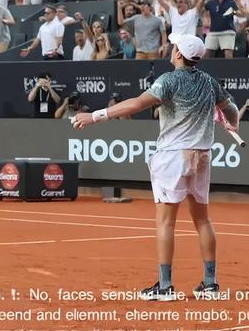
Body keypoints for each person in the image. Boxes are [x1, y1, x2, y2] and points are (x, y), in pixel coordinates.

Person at [72, 32, 239, 301]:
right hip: (202, 157)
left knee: (166, 223)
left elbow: (137, 104)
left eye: (174, 46)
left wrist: (95, 116)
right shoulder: (210, 83)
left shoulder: (168, 80)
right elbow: (230, 110)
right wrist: (234, 124)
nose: (172, 49)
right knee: (203, 221)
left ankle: (164, 287)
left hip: (172, 157)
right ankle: (210, 284)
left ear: (178, 54)